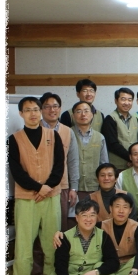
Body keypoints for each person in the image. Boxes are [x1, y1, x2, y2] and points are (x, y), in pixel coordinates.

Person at [8, 96, 65, 275]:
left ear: (41, 112)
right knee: (24, 239)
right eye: (28, 110)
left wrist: (47, 187)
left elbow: (59, 165)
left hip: (51, 195)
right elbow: (16, 170)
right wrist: (38, 188)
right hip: (26, 197)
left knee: (52, 238)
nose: (33, 113)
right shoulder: (14, 139)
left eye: (36, 109)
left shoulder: (53, 135)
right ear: (20, 113)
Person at [53, 193, 138, 275]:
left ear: (130, 210)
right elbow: (82, 228)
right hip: (102, 270)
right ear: (110, 208)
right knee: (99, 267)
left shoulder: (137, 226)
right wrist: (60, 233)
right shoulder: (100, 226)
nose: (121, 211)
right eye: (117, 206)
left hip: (123, 268)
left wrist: (133, 274)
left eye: (125, 207)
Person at [39, 199, 118, 275]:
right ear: (76, 217)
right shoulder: (64, 237)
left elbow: (114, 262)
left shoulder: (103, 236)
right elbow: (60, 266)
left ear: (97, 217)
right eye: (84, 215)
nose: (88, 219)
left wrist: (96, 272)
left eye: (92, 215)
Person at [40, 92, 79, 231]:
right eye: (47, 106)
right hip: (38, 186)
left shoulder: (68, 131)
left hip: (61, 186)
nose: (52, 110)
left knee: (59, 225)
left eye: (55, 106)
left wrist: (73, 188)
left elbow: (73, 161)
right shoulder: (34, 129)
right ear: (41, 109)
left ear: (60, 108)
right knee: (39, 225)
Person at [101, 87, 138, 173]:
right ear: (116, 101)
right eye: (123, 99)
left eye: (130, 100)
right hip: (117, 167)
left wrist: (136, 159)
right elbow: (112, 144)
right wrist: (130, 158)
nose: (127, 103)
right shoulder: (110, 119)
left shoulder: (135, 120)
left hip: (135, 167)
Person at [71, 101, 109, 200]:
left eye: (86, 111)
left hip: (94, 187)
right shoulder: (67, 134)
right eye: (79, 111)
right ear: (73, 115)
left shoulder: (100, 137)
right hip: (72, 189)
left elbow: (104, 163)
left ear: (92, 115)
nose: (83, 114)